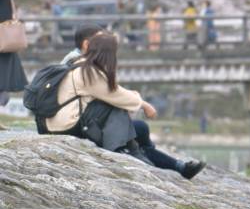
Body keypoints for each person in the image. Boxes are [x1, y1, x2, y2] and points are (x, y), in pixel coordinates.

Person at [45, 31, 205, 178]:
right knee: (136, 127)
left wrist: (136, 101)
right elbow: (117, 95)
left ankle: (179, 167)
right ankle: (166, 164)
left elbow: (114, 92)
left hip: (69, 123)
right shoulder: (88, 72)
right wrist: (144, 105)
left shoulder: (81, 65)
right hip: (72, 127)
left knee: (139, 131)